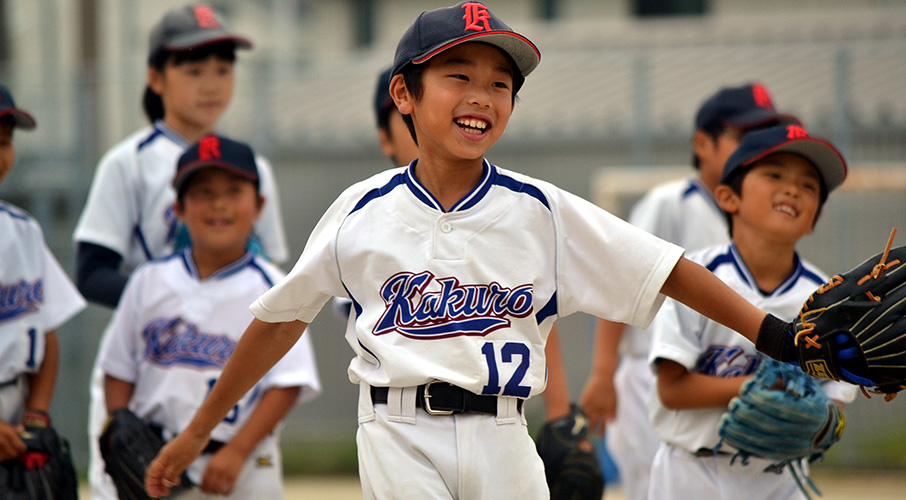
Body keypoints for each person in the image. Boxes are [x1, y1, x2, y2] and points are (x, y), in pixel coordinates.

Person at [143, 3, 825, 499]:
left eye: (500, 83)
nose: (482, 96)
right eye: (458, 76)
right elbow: (280, 319)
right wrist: (197, 430)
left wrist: (777, 335)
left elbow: (666, 268)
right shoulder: (361, 210)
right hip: (399, 427)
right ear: (403, 94)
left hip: (506, 434)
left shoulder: (542, 211)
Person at [72, 5, 289, 499]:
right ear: (155, 76)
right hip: (155, 360)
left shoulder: (252, 165)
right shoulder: (128, 162)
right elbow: (91, 271)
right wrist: (174, 301)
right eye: (193, 70)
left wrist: (220, 307)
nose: (211, 84)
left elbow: (273, 270)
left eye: (222, 69)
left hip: (232, 364)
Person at [578, 83, 797, 500]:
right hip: (651, 375)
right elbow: (620, 283)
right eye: (742, 135)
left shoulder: (762, 215)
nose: (756, 146)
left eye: (764, 136)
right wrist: (604, 372)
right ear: (703, 142)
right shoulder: (670, 203)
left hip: (729, 375)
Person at [98, 134, 320, 499]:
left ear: (259, 204)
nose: (219, 205)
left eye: (234, 190)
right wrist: (122, 438)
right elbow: (118, 369)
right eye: (203, 192)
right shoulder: (148, 281)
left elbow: (288, 382)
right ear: (179, 209)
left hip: (241, 465)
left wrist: (237, 451)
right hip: (157, 458)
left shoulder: (273, 286)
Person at [647, 123, 856, 500]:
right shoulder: (695, 278)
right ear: (728, 197)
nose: (793, 189)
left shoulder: (828, 299)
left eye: (809, 186)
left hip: (780, 476)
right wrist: (757, 387)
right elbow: (671, 389)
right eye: (774, 174)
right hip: (691, 472)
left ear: (814, 219)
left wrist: (826, 423)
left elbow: (835, 402)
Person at [0, 85, 86, 463]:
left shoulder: (23, 232)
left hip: (16, 420)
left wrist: (37, 415)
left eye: (3, 142)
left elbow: (45, 328)